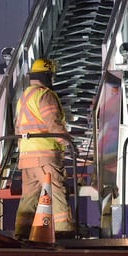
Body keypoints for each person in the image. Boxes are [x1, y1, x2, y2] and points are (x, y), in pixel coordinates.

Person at [14, 58, 75, 239]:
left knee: (29, 198)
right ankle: (64, 231)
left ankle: (21, 233)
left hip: (27, 157)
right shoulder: (45, 94)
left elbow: (19, 127)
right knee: (57, 191)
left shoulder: (23, 97)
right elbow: (53, 123)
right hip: (45, 155)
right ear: (48, 75)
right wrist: (68, 143)